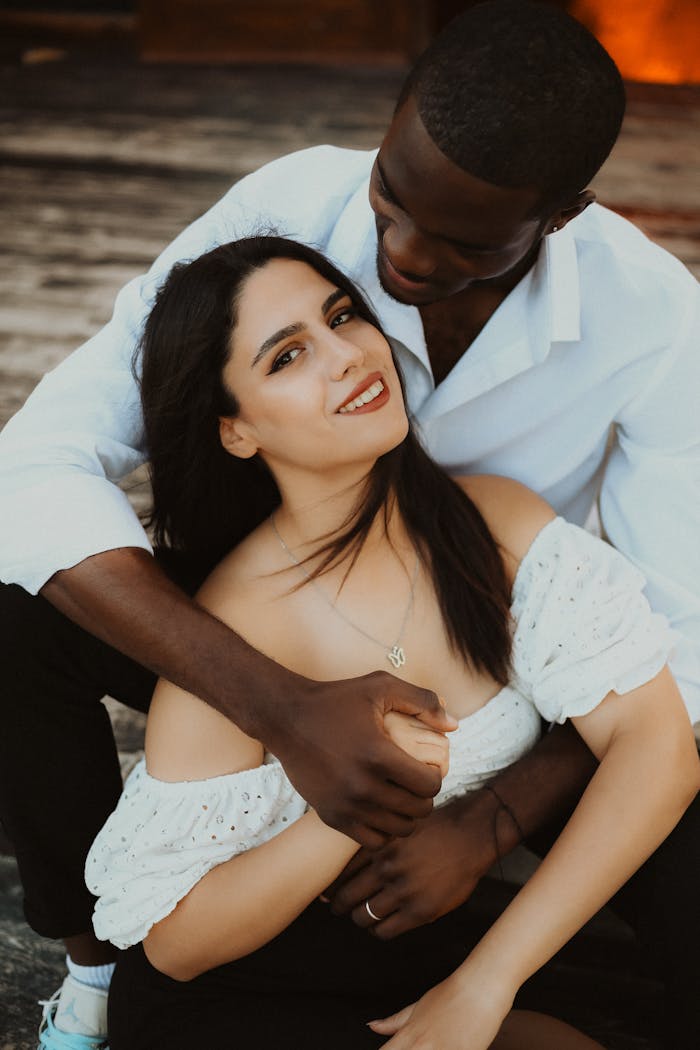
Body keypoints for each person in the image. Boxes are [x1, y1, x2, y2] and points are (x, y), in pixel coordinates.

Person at [0, 2, 698, 1046]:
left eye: (460, 241)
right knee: (15, 607)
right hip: (281, 634)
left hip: (511, 651)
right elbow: (35, 465)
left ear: (561, 215)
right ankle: (93, 963)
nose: (402, 260)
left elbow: (680, 632)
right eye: (388, 205)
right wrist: (278, 708)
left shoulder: (651, 321)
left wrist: (490, 820)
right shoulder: (287, 209)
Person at [83, 235, 698, 1050]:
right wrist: (358, 800)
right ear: (236, 431)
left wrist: (486, 983)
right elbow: (177, 944)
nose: (346, 356)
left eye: (343, 316)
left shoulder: (493, 526)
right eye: (289, 356)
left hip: (439, 956)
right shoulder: (235, 630)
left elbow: (656, 745)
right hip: (246, 1003)